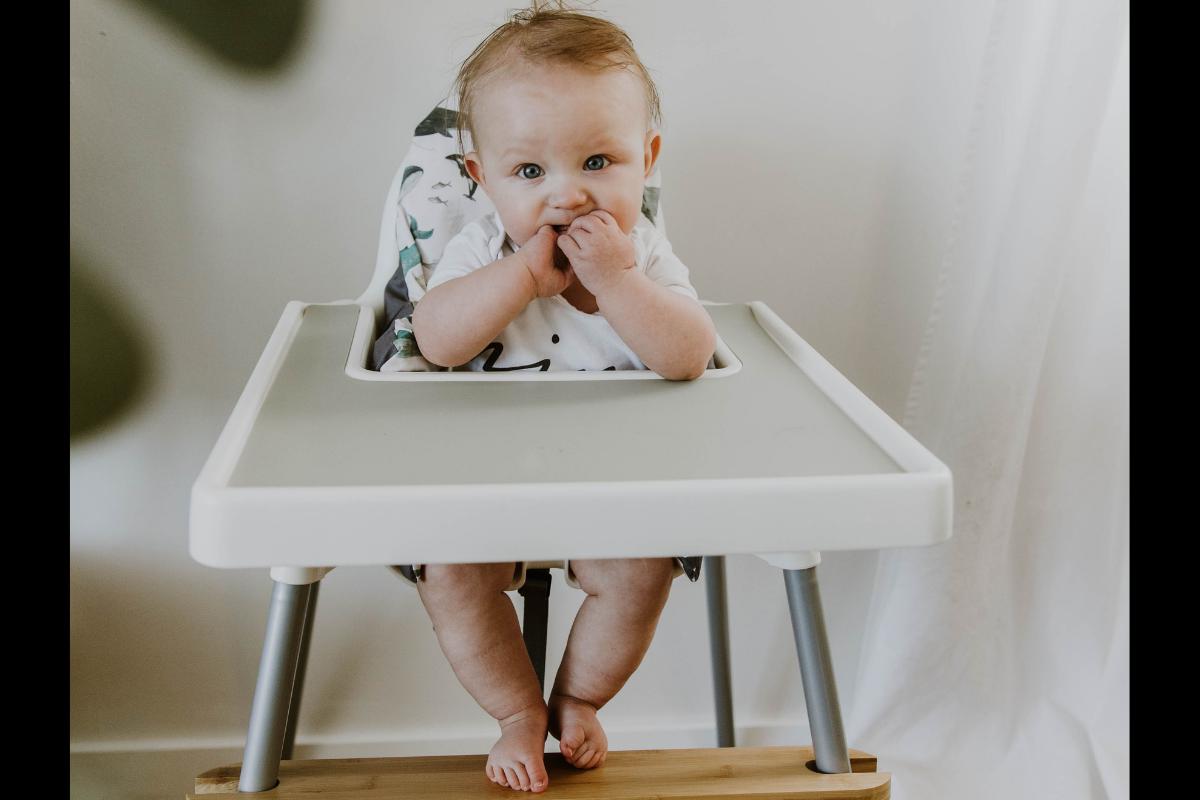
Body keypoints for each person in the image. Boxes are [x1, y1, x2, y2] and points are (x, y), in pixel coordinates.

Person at [409, 3, 716, 792]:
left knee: (643, 570)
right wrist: (518, 279)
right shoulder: (483, 248)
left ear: (646, 160)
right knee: (451, 575)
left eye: (598, 162)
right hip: (485, 478)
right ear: (483, 178)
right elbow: (436, 340)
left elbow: (689, 353)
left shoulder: (642, 254)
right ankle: (516, 710)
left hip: (615, 481)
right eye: (530, 173)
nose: (568, 195)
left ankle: (579, 697)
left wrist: (617, 282)